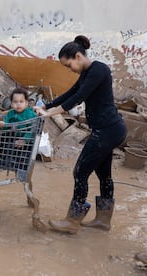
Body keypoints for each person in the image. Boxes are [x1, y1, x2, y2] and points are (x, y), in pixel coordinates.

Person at [34, 35, 127, 234]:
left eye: (69, 65)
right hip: (108, 129)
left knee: (80, 172)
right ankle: (103, 220)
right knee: (104, 174)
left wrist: (50, 113)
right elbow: (70, 92)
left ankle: (72, 220)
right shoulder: (87, 73)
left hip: (108, 130)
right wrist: (45, 105)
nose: (70, 69)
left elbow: (78, 97)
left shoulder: (99, 70)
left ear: (78, 56)